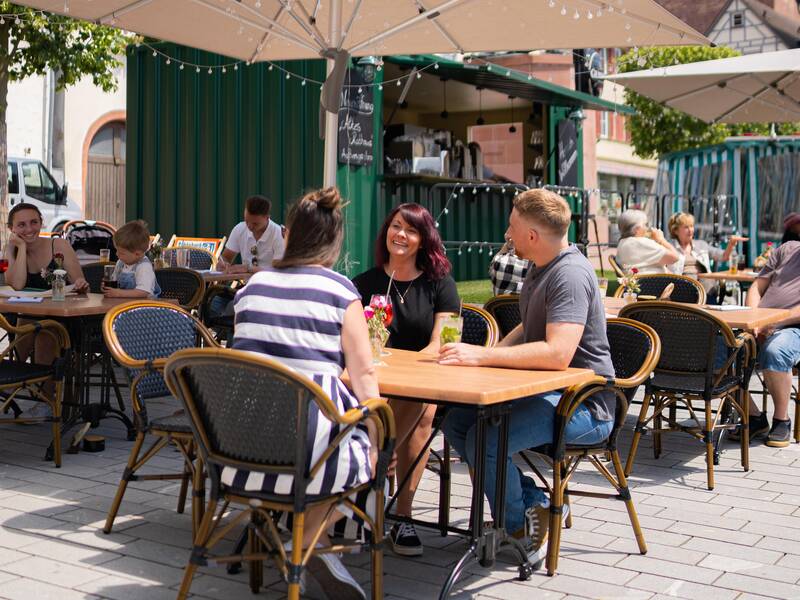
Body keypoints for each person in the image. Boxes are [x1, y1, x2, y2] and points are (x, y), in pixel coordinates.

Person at [439, 188, 615, 561]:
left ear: (532, 236)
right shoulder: (541, 266)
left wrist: (483, 360)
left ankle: (519, 526)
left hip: (584, 406)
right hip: (547, 394)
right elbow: (528, 327)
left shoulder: (568, 274)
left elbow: (557, 353)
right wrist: (487, 354)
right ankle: (534, 503)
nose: (507, 234)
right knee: (457, 423)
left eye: (512, 227)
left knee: (487, 439)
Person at [227, 187, 380, 600]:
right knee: (366, 451)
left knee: (344, 441)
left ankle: (310, 543)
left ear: (289, 233)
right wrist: (377, 431)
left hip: (237, 445)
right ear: (335, 241)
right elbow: (364, 374)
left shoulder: (254, 286)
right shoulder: (340, 291)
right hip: (304, 453)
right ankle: (307, 543)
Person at [352, 203, 460, 557]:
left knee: (423, 410)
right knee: (395, 407)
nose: (401, 235)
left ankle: (400, 511)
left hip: (424, 383)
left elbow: (445, 343)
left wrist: (402, 364)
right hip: (373, 384)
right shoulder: (364, 283)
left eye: (411, 230)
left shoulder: (440, 284)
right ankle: (381, 474)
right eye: (396, 226)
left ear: (422, 240)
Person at [4, 202, 89, 418]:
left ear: (42, 222)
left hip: (65, 317)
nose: (29, 229)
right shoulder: (12, 248)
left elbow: (79, 279)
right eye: (21, 225)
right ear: (11, 228)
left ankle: (44, 400)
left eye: (34, 222)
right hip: (30, 315)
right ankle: (14, 383)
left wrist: (80, 284)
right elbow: (18, 284)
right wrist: (20, 249)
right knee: (26, 326)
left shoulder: (57, 245)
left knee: (44, 332)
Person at [743, 239, 800, 447]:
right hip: (761, 322)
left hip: (794, 328)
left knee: (776, 350)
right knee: (719, 348)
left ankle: (781, 420)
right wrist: (753, 320)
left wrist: (774, 322)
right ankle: (754, 417)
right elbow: (756, 288)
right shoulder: (787, 249)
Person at [668, 211, 748, 297]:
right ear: (675, 231)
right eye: (686, 227)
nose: (690, 230)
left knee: (708, 282)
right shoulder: (669, 246)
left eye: (692, 226)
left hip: (703, 285)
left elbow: (724, 256)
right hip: (682, 286)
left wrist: (731, 244)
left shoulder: (701, 245)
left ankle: (707, 306)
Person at [217, 194, 285, 273]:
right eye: (246, 220)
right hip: (248, 284)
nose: (249, 226)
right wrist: (223, 263)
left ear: (267, 218)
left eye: (255, 224)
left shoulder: (279, 234)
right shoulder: (240, 228)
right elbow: (226, 258)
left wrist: (248, 269)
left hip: (271, 284)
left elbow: (280, 270)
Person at [102, 220, 161, 299]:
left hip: (144, 308)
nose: (117, 254)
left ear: (137, 253)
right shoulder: (121, 263)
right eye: (117, 250)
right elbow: (114, 282)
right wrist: (108, 289)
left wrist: (119, 293)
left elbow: (143, 292)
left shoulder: (144, 267)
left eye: (122, 253)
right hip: (125, 305)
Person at [615, 209, 680, 274]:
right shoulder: (641, 243)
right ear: (637, 229)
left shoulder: (622, 243)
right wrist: (661, 240)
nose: (647, 228)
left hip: (639, 281)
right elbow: (675, 257)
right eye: (645, 224)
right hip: (655, 282)